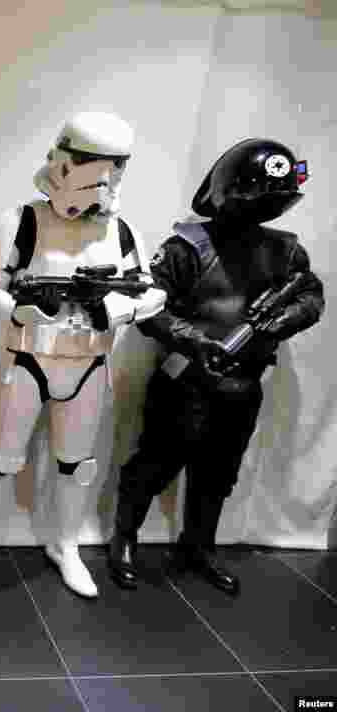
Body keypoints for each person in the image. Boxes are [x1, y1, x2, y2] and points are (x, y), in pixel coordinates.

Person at [0, 112, 167, 602]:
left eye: (115, 170)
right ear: (65, 165)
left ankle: (66, 545)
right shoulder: (21, 222)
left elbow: (152, 294)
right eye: (98, 169)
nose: (106, 182)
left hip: (89, 363)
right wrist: (22, 311)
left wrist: (119, 310)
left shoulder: (120, 233)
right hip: (29, 360)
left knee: (77, 464)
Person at [107, 138, 324, 595]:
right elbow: (148, 309)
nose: (265, 210)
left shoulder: (284, 251)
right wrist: (195, 340)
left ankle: (197, 547)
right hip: (185, 378)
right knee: (155, 464)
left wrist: (284, 319)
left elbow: (310, 295)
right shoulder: (187, 247)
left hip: (244, 383)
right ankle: (123, 541)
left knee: (219, 472)